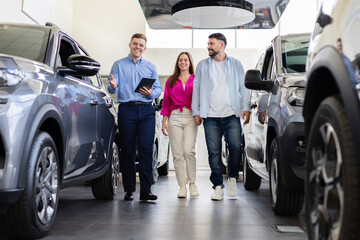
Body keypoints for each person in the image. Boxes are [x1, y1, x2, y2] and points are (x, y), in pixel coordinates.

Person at [191, 33, 251, 201]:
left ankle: (232, 177)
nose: (208, 46)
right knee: (214, 152)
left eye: (212, 44)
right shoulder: (202, 66)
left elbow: (243, 87)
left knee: (235, 147)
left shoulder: (236, 64)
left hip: (232, 114)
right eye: (208, 43)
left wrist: (246, 107)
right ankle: (218, 186)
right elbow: (196, 89)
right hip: (210, 116)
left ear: (222, 45)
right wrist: (196, 111)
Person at [108, 33, 161, 201]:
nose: (138, 47)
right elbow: (112, 90)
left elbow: (158, 89)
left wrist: (152, 92)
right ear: (130, 44)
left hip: (147, 111)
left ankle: (146, 191)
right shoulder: (118, 65)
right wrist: (113, 87)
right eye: (135, 44)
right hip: (126, 111)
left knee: (146, 150)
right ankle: (129, 190)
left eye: (141, 45)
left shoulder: (151, 67)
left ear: (145, 48)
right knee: (128, 151)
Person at [161, 52, 199, 198]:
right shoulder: (171, 80)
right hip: (175, 117)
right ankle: (182, 186)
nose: (183, 62)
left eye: (185, 60)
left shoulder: (196, 79)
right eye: (180, 60)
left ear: (190, 62)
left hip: (190, 116)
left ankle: (192, 183)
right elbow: (166, 101)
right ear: (178, 63)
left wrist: (199, 114)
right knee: (177, 154)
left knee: (189, 151)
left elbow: (200, 98)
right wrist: (164, 121)